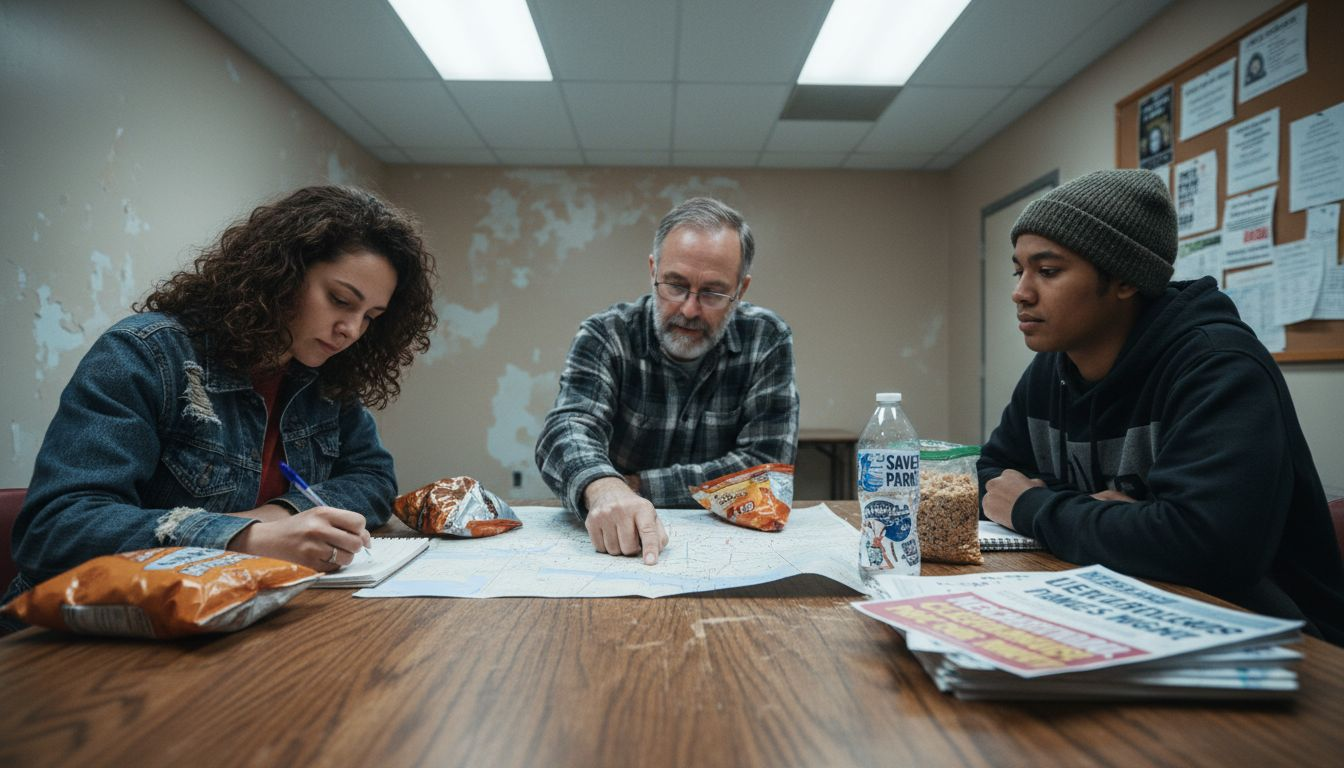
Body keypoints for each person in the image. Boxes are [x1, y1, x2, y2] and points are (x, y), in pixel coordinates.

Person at [2, 186, 438, 617]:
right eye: (340, 300)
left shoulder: (323, 376)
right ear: (281, 273)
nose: (352, 330)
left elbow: (373, 476)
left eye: (370, 318)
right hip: (80, 634)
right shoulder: (145, 354)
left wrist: (281, 512)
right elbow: (55, 531)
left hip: (227, 619)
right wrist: (243, 537)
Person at [979, 169, 1344, 645]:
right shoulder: (1053, 367)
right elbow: (993, 475)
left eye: (1047, 271)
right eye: (1018, 270)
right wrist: (1115, 521)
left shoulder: (1218, 367)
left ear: (1126, 280)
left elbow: (1208, 548)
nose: (1021, 292)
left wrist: (1038, 507)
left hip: (1272, 639)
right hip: (1127, 608)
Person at [535, 197, 799, 565]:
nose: (689, 309)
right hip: (618, 547)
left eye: (712, 292)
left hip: (731, 551)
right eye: (674, 285)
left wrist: (636, 485)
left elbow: (764, 468)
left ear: (741, 290)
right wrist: (604, 487)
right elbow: (566, 428)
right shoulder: (606, 333)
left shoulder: (767, 338)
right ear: (652, 270)